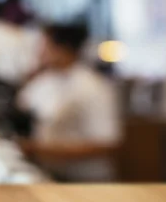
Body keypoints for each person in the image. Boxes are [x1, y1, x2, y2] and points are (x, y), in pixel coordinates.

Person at [17, 24, 121, 182]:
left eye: (44, 46)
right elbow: (20, 107)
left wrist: (41, 150)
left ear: (63, 49)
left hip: (86, 180)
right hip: (49, 173)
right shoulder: (45, 81)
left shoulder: (93, 86)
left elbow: (107, 144)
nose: (39, 53)